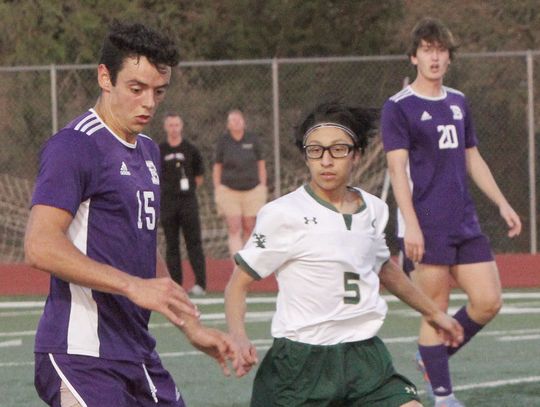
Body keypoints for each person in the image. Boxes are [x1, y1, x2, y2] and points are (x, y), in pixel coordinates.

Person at [24, 21, 240, 407]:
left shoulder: (148, 151)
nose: (149, 103)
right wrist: (130, 286)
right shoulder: (74, 146)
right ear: (104, 78)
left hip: (137, 354)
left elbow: (143, 251)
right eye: (136, 89)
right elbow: (40, 246)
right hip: (81, 354)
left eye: (159, 91)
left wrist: (192, 326)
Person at [224, 101, 464, 407]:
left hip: (365, 359)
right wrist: (238, 335)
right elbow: (237, 284)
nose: (326, 160)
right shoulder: (283, 213)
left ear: (357, 155)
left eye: (338, 149)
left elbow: (385, 269)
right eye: (316, 150)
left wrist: (434, 313)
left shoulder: (374, 209)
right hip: (301, 364)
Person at [381, 18, 522, 407]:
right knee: (435, 309)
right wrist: (410, 224)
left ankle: (431, 358)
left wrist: (502, 201)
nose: (435, 56)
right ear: (414, 56)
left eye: (441, 50)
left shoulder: (459, 101)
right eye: (427, 49)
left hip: (465, 221)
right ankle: (443, 397)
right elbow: (397, 171)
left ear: (449, 58)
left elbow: (471, 155)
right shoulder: (398, 108)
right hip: (425, 224)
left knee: (488, 300)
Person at [160, 113, 207, 296]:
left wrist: (188, 189)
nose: (173, 128)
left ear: (181, 126)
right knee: (172, 245)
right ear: (166, 127)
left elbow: (199, 175)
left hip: (188, 202)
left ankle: (200, 284)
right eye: (170, 125)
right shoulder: (159, 150)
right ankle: (175, 284)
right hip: (168, 203)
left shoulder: (190, 149)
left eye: (176, 125)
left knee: (193, 243)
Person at [212, 109, 267, 259]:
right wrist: (218, 187)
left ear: (244, 122)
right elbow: (217, 166)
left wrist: (262, 185)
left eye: (239, 119)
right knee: (234, 226)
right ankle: (238, 263)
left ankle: (248, 261)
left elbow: (261, 163)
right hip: (229, 191)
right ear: (228, 125)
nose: (236, 122)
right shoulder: (223, 141)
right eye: (233, 120)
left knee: (250, 226)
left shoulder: (253, 139)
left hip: (252, 190)